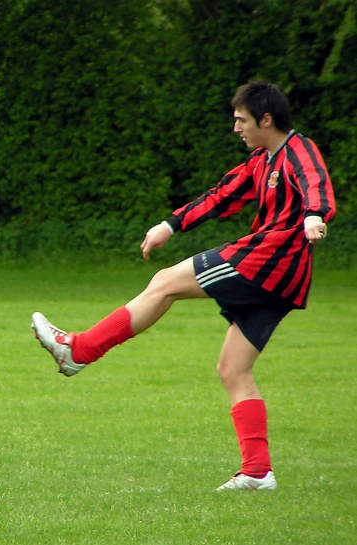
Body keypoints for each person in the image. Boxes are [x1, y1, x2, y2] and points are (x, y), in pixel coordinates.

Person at [31, 81, 336, 491]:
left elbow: (316, 183)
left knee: (164, 282)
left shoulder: (299, 150)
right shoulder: (263, 160)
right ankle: (257, 472)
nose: (236, 129)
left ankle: (79, 350)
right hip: (281, 280)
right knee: (233, 368)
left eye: (241, 120)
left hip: (269, 261)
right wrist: (170, 224)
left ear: (266, 120)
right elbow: (222, 196)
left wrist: (315, 215)